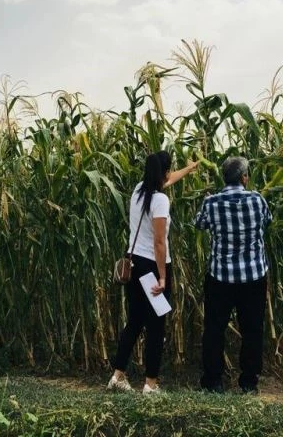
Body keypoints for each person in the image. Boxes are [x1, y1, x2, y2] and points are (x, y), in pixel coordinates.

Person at [107, 151, 198, 394]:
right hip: (153, 268)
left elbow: (168, 181)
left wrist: (188, 170)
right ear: (164, 172)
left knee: (135, 321)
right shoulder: (160, 201)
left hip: (134, 263)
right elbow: (160, 242)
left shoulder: (139, 190)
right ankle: (150, 383)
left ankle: (117, 376)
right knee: (157, 326)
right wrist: (163, 277)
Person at [194, 156, 272, 394]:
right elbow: (267, 221)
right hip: (253, 276)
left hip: (220, 277)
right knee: (253, 330)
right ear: (244, 177)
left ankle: (213, 381)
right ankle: (249, 382)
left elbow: (199, 224)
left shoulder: (212, 203)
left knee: (215, 329)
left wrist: (208, 202)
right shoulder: (257, 200)